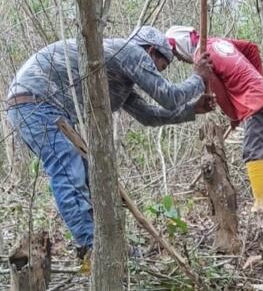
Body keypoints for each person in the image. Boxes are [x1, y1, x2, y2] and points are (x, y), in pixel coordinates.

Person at [6, 26, 215, 259]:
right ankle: (93, 248)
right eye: (160, 67)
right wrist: (198, 78)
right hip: (35, 102)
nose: (156, 73)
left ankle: (108, 247)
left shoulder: (118, 74)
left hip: (38, 106)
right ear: (151, 51)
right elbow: (168, 97)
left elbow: (148, 116)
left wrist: (192, 109)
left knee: (88, 175)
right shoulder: (128, 52)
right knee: (68, 169)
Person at [165, 26, 263, 213]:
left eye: (176, 54)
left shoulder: (201, 58)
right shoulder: (216, 42)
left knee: (254, 152)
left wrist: (233, 115)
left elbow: (219, 93)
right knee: (262, 151)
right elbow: (251, 48)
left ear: (181, 47)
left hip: (254, 101)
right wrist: (259, 81)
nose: (178, 58)